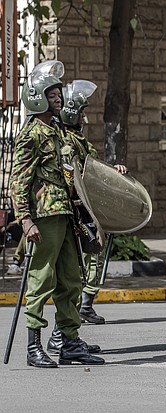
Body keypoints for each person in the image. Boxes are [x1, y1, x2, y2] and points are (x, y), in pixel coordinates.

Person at [9, 60, 104, 368]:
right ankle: (34, 345)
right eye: (52, 95)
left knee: (71, 280)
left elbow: (73, 170)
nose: (58, 99)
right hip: (44, 217)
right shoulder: (32, 134)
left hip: (66, 215)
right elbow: (18, 180)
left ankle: (70, 341)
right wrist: (24, 219)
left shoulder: (60, 132)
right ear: (37, 98)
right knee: (41, 279)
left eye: (58, 94)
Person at [46, 79, 128, 355]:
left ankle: (64, 336)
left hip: (81, 214)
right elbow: (73, 176)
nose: (85, 118)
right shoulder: (63, 139)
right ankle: (61, 336)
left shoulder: (77, 139)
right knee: (71, 278)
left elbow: (92, 170)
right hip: (70, 215)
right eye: (81, 112)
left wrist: (112, 171)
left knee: (75, 277)